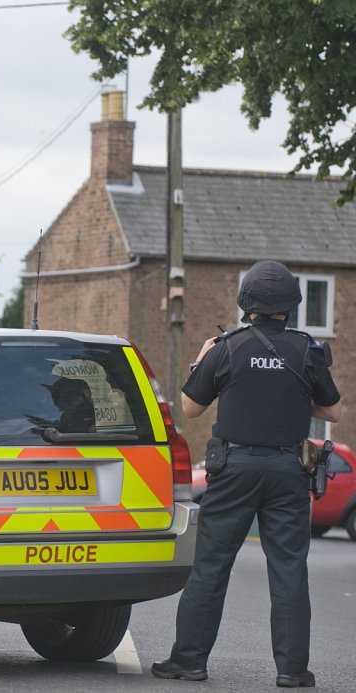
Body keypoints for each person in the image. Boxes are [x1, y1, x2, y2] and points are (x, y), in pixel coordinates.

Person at [151, 260, 342, 688]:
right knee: (290, 569)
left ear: (246, 304)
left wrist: (201, 359)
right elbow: (333, 411)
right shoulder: (306, 350)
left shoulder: (227, 347)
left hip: (233, 469)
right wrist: (294, 394)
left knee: (211, 567)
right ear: (289, 305)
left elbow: (191, 408)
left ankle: (189, 661)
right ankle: (292, 671)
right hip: (288, 469)